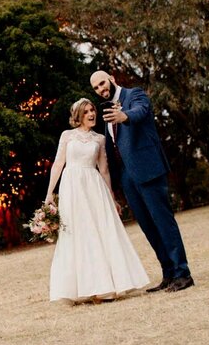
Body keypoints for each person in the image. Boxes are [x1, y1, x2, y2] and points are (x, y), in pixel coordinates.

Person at [90, 70, 194, 293]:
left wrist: (124, 116)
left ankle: (183, 274)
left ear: (111, 79)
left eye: (102, 83)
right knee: (148, 227)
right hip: (127, 177)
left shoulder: (133, 95)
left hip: (148, 169)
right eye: (96, 88)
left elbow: (140, 112)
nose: (101, 89)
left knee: (163, 222)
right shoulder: (106, 112)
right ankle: (168, 273)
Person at [45, 98, 150, 303]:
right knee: (78, 233)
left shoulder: (100, 139)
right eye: (86, 112)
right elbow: (58, 164)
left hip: (94, 186)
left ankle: (106, 287)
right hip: (72, 185)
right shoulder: (67, 136)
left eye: (92, 110)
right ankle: (81, 289)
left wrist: (111, 196)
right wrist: (49, 193)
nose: (91, 114)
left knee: (101, 231)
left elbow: (104, 169)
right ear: (78, 116)